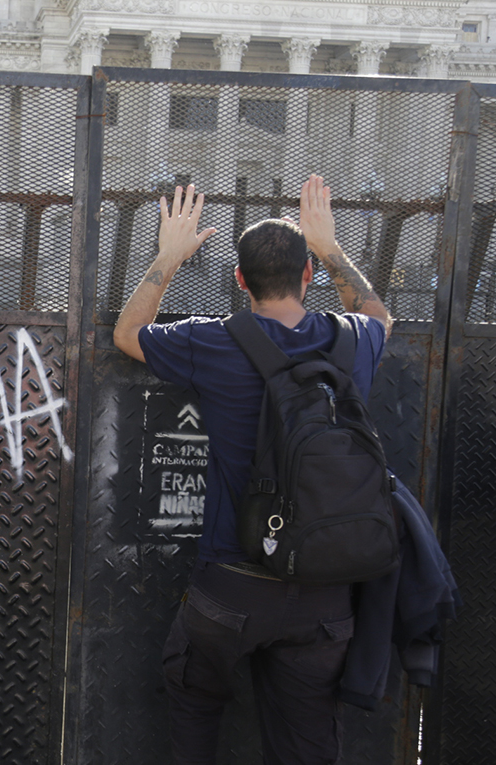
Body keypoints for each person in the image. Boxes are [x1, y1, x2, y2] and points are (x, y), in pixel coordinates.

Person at [113, 175, 392, 764]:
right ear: (308, 276)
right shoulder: (353, 341)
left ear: (239, 281)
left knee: (194, 702)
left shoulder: (214, 342)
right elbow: (379, 315)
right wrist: (331, 246)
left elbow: (128, 333)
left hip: (232, 584)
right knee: (307, 743)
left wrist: (167, 256)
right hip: (326, 590)